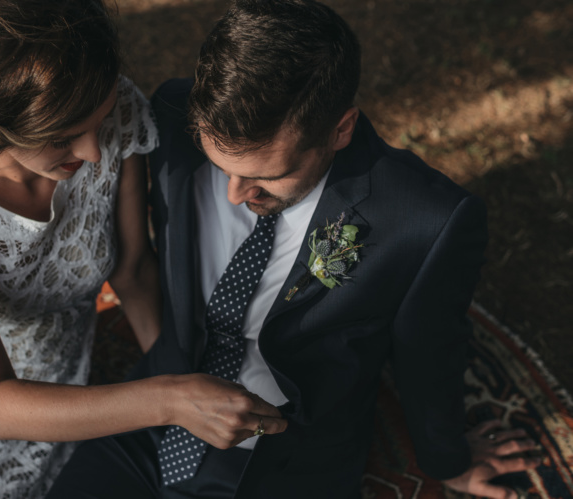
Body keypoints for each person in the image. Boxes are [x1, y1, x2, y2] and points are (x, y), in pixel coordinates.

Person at [48, 0, 541, 498]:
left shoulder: (424, 222)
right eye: (222, 165)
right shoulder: (172, 117)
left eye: (268, 175)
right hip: (147, 424)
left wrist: (447, 460)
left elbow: (428, 354)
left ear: (340, 130)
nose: (235, 194)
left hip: (282, 463)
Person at [0, 0, 286, 496]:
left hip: (51, 392)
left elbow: (132, 271)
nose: (93, 151)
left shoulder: (116, 113)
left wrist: (181, 379)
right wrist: (170, 399)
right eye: (65, 138)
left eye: (100, 120)